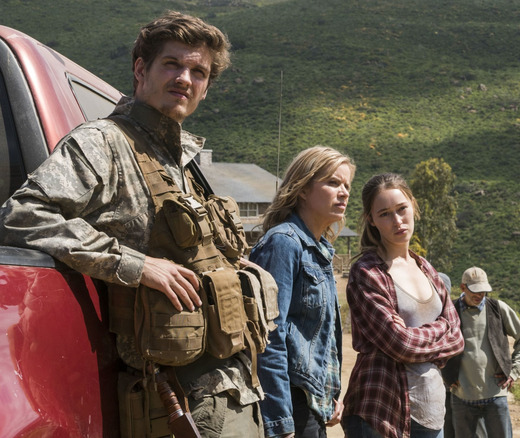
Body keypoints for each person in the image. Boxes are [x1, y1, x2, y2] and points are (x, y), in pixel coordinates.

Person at [0, 12, 267, 436]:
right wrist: (135, 264)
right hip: (175, 400)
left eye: (198, 71)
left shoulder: (184, 161)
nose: (185, 78)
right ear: (141, 69)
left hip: (232, 390)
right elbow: (23, 215)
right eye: (172, 64)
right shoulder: (104, 142)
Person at [342, 173, 464, 438]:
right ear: (371, 220)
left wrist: (424, 337)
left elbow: (458, 339)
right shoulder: (368, 272)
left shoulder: (426, 268)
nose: (397, 220)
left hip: (431, 412)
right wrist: (440, 329)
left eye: (401, 209)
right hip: (382, 411)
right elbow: (400, 344)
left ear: (413, 206)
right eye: (384, 214)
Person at [249, 146, 355, 437]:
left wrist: (329, 396)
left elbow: (318, 337)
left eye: (347, 185)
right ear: (303, 189)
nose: (344, 192)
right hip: (291, 404)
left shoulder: (320, 250)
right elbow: (269, 336)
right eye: (333, 182)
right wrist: (279, 421)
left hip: (310, 402)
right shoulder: (283, 243)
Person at [441, 266, 520, 438]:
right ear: (462, 288)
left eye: (483, 291)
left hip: (495, 396)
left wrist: (513, 372)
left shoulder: (498, 308)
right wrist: (444, 373)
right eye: (475, 291)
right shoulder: (450, 311)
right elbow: (436, 344)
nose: (480, 295)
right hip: (462, 397)